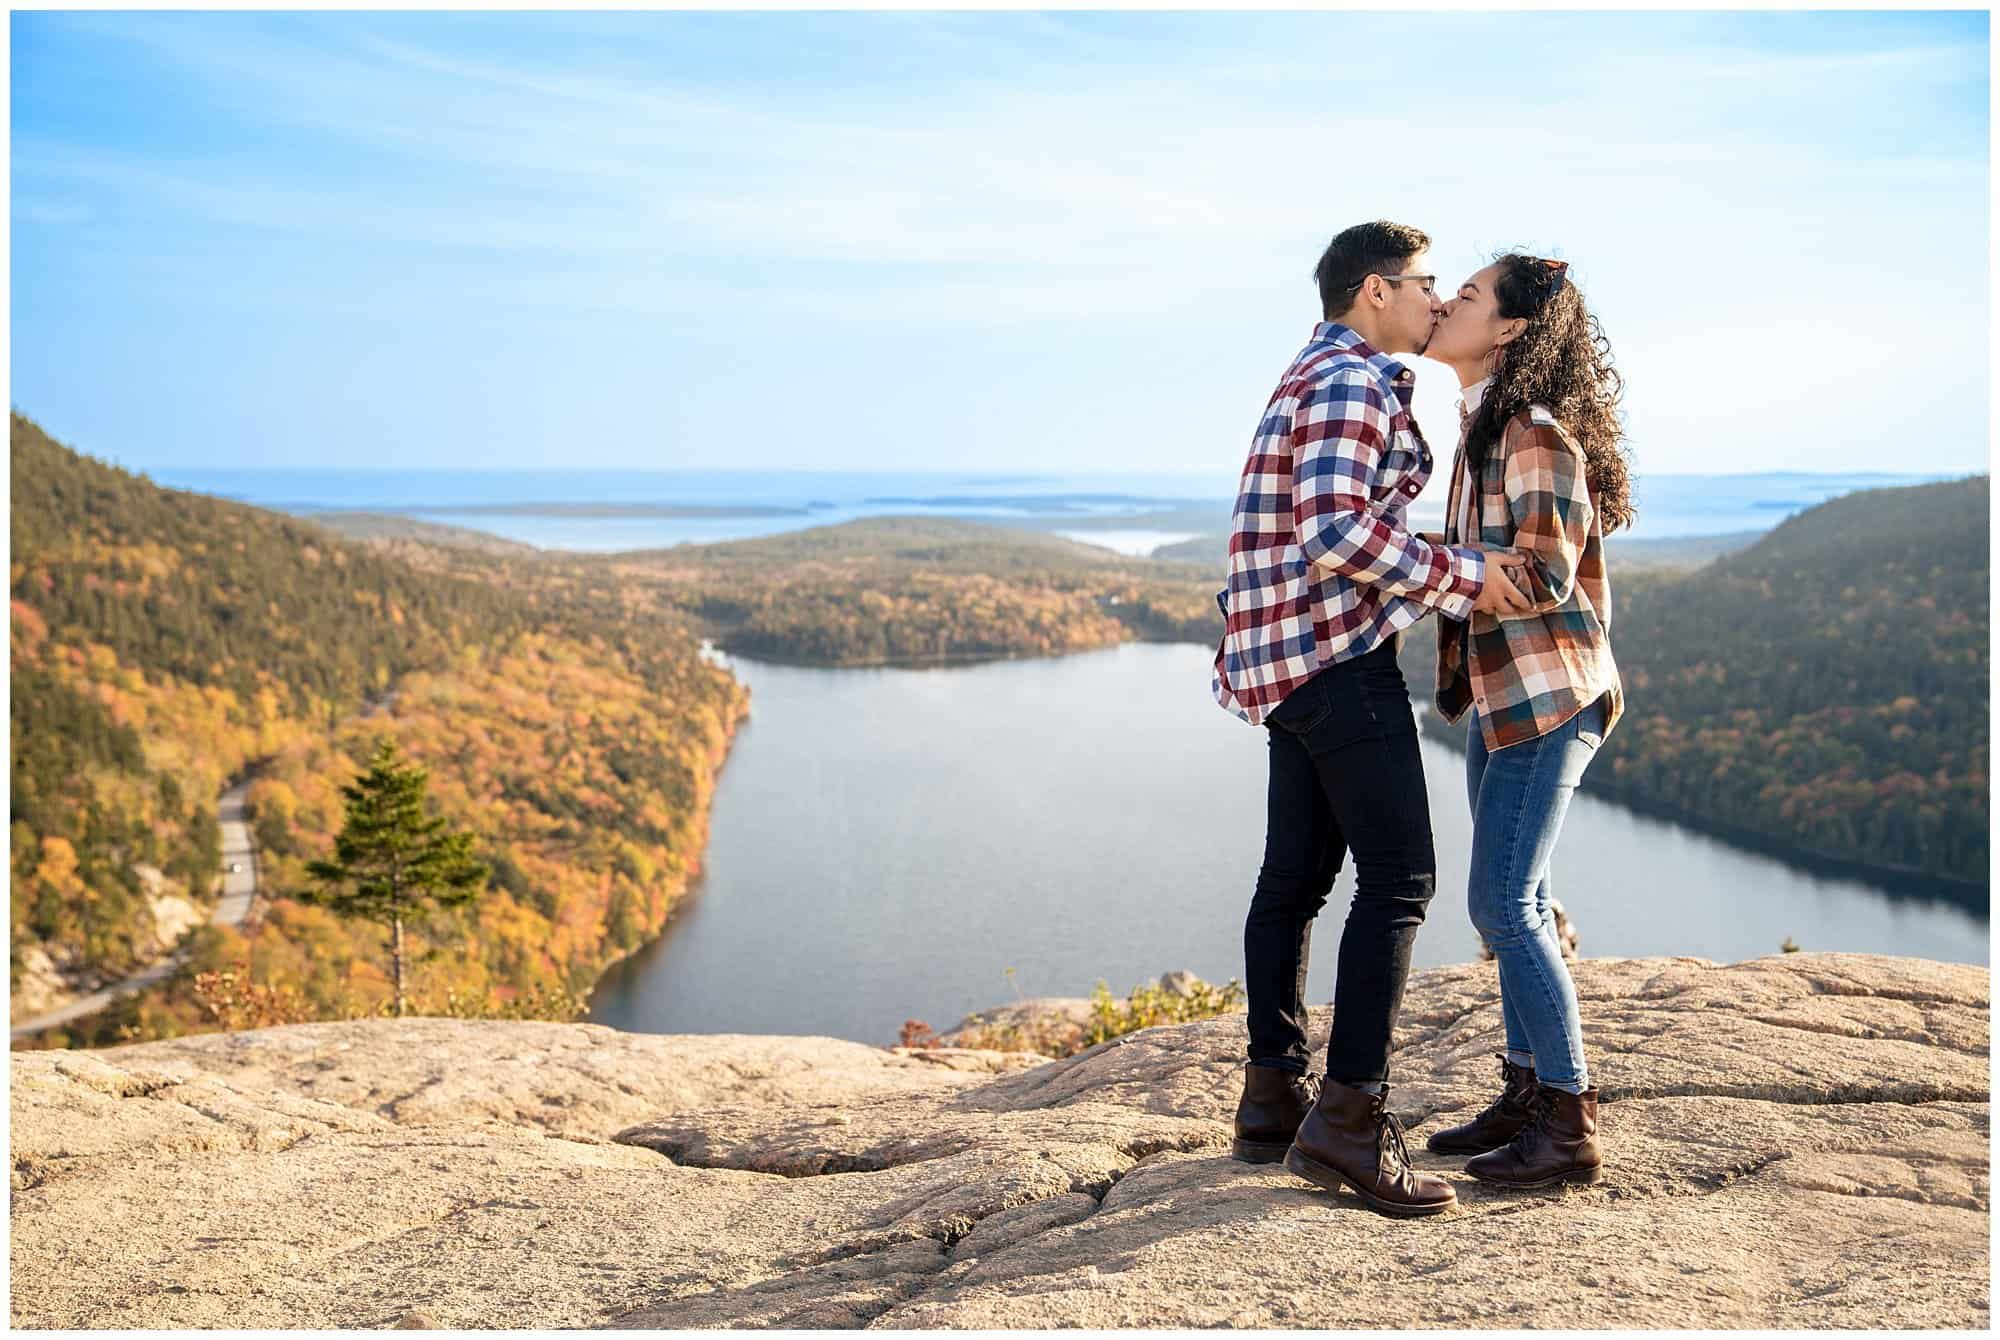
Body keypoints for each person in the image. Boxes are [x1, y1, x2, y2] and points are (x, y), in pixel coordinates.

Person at [1213, 220, 1531, 1218]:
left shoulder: (1311, 369)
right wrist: (1464, 577)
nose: (1436, 298)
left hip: (1283, 661)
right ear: (1372, 290)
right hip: (1332, 656)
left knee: (1295, 878)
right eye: (1425, 282)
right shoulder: (1351, 378)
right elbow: (1336, 530)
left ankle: (1271, 1100)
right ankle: (1347, 1120)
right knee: (1400, 876)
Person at [1418, 253, 1634, 1187]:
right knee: (1520, 899)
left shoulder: (1533, 431)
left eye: (1465, 296)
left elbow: (1544, 574)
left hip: (1550, 695)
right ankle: (1524, 1090)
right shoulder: (1486, 424)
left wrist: (1415, 560)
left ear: (1508, 330)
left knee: (1501, 903)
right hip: (1503, 695)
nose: (1444, 302)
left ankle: (1569, 1122)